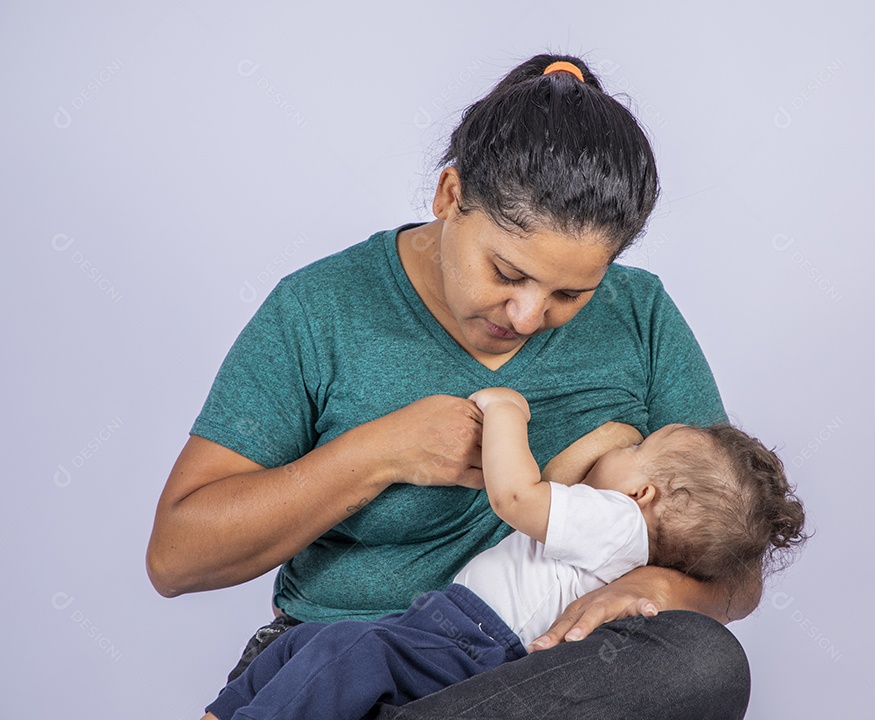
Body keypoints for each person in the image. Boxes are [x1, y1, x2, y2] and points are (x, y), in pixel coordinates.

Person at [148, 53, 763, 719]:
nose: (528, 316)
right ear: (449, 196)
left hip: (542, 681)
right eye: (506, 272)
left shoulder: (641, 316)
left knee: (704, 660)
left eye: (570, 293)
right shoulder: (320, 308)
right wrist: (378, 454)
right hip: (348, 666)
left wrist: (663, 588)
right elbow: (176, 557)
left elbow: (736, 569)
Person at [201, 387, 806, 720]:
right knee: (313, 643)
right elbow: (555, 486)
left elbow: (519, 494)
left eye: (642, 443)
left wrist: (506, 412)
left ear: (641, 493)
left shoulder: (618, 522)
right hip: (464, 644)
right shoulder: (618, 532)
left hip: (470, 639)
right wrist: (611, 441)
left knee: (345, 649)